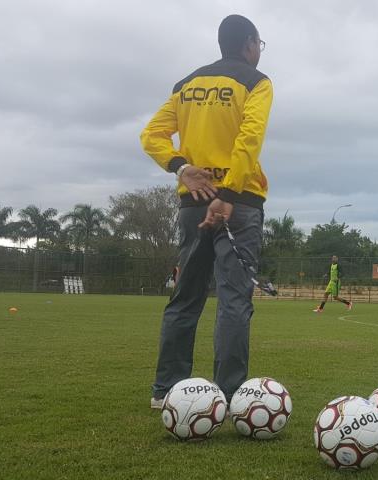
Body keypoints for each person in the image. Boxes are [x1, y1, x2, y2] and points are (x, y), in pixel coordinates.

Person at [141, 14, 273, 408]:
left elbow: (151, 135)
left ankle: (166, 391)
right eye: (259, 44)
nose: (258, 51)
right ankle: (230, 396)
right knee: (234, 301)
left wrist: (181, 166)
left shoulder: (187, 85)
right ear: (249, 43)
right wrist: (229, 194)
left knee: (185, 297)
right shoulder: (257, 82)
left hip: (193, 204)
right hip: (239, 206)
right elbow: (249, 139)